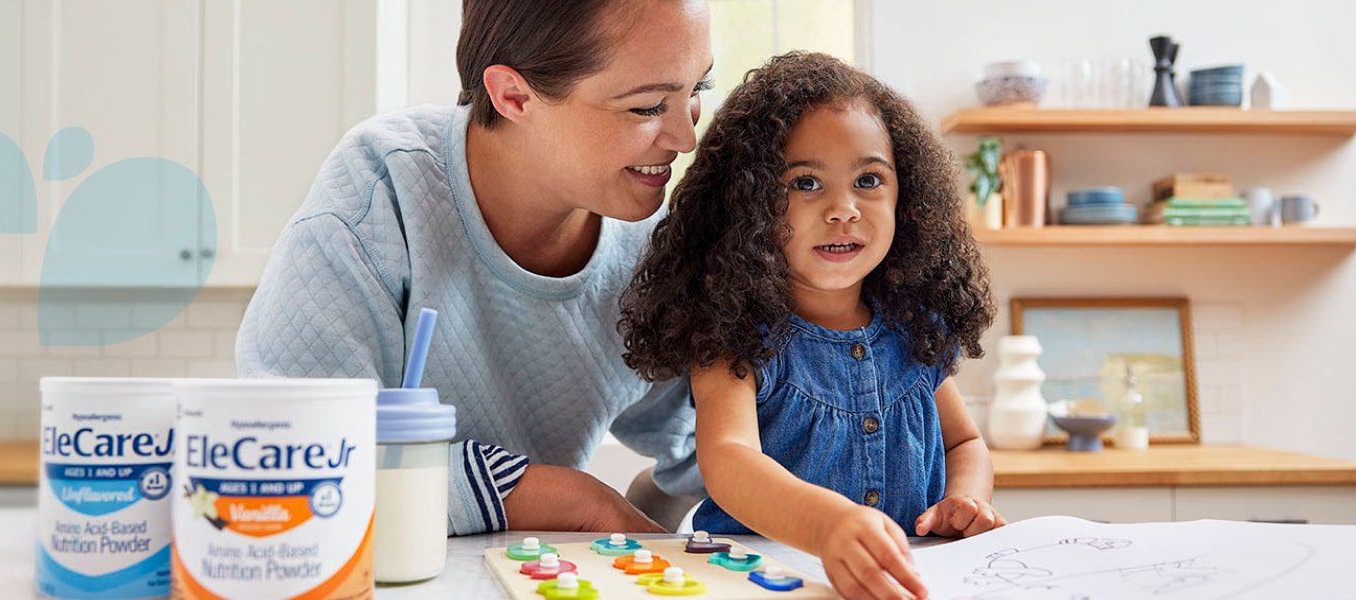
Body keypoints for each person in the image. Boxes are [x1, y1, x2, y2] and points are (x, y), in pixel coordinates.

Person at [236, 0, 712, 536]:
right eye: (647, 107)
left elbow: (704, 442)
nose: (686, 137)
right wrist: (566, 500)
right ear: (513, 95)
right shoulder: (379, 196)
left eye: (697, 90)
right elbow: (293, 454)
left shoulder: (649, 248)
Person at [617, 51, 1006, 600]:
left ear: (907, 197)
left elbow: (964, 442)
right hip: (756, 581)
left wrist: (965, 502)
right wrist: (827, 527)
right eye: (805, 184)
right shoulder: (735, 334)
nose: (843, 209)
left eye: (869, 179)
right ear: (748, 203)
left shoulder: (914, 329)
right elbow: (729, 459)